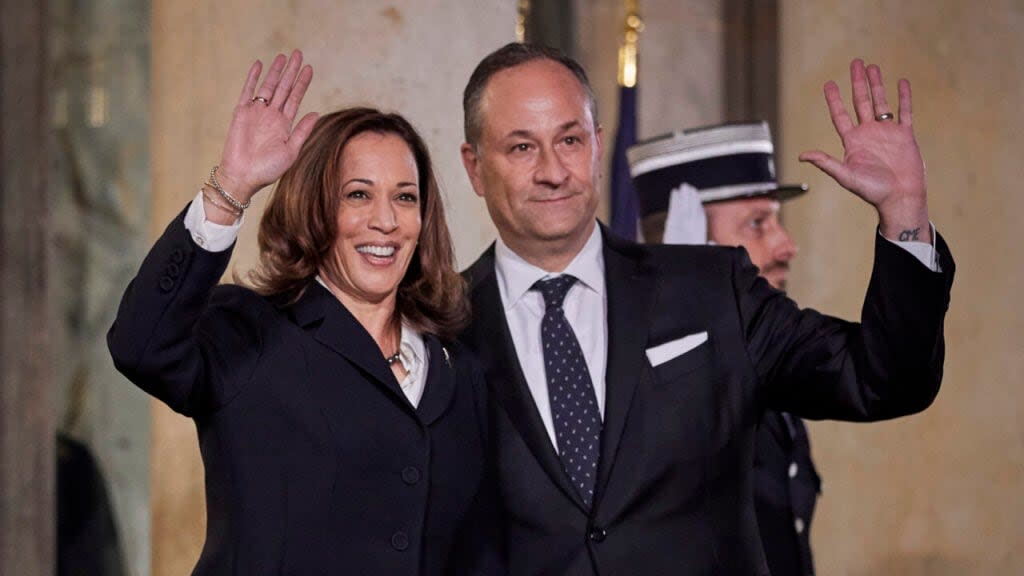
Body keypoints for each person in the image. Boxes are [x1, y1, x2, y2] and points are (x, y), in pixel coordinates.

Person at [458, 42, 953, 575]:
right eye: (521, 148)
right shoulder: (436, 327)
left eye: (570, 140)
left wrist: (905, 213)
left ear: (598, 147)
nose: (554, 171)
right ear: (475, 167)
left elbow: (882, 379)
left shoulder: (712, 290)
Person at [108, 51, 497, 575]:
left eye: (405, 197)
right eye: (357, 195)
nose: (385, 220)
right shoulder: (251, 333)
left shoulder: (458, 371)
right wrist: (232, 187)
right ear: (316, 208)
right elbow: (140, 344)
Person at [627, 121, 824, 575]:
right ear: (694, 240)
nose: (786, 246)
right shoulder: (632, 366)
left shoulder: (763, 347)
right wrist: (682, 301)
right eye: (758, 224)